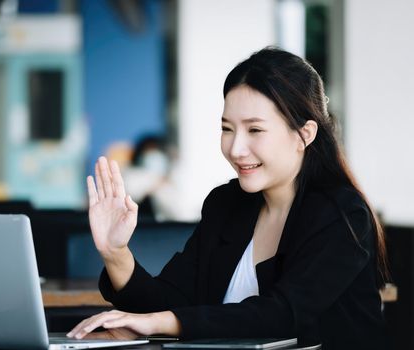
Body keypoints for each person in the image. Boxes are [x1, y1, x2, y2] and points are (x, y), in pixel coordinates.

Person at [67, 47, 389, 349]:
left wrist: (161, 322)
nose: (236, 149)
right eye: (227, 129)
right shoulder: (226, 204)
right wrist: (115, 252)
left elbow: (282, 316)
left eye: (255, 130)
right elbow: (165, 305)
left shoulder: (342, 214)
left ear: (304, 134)